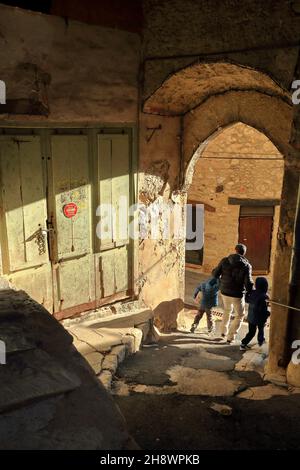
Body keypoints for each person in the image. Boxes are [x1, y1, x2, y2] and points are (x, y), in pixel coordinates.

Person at [212, 244, 253, 344]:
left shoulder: (225, 260)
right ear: (244, 253)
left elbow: (215, 274)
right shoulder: (246, 265)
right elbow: (248, 283)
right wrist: (251, 291)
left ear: (235, 250)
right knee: (240, 315)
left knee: (227, 310)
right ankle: (230, 337)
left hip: (224, 291)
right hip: (237, 294)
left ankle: (223, 332)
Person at [240, 277, 270, 350]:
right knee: (261, 329)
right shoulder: (264, 296)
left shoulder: (253, 293)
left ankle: (243, 344)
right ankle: (260, 341)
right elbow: (262, 310)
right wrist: (268, 313)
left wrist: (247, 293)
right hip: (260, 318)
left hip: (251, 317)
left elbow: (247, 300)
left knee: (251, 332)